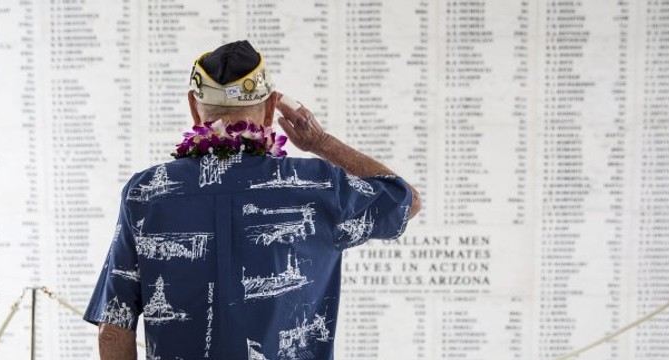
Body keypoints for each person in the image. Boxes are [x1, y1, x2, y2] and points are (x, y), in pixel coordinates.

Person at [83, 40, 421, 360]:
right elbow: (406, 200)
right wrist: (320, 141)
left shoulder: (145, 193)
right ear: (272, 107)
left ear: (193, 107)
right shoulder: (318, 185)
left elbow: (113, 329)